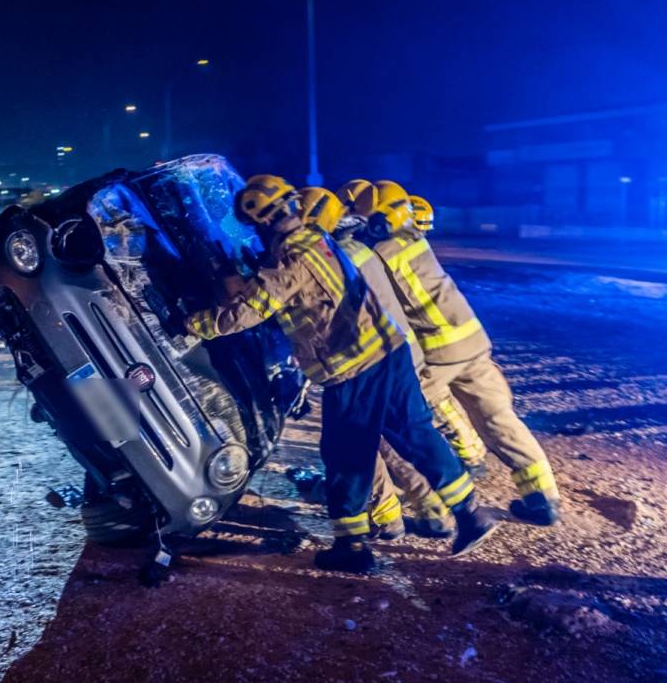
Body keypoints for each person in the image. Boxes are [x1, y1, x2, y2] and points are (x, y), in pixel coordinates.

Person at [184, 174, 497, 573]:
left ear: (262, 222)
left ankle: (351, 547)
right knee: (416, 432)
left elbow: (248, 311)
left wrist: (192, 324)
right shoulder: (318, 240)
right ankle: (471, 513)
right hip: (390, 352)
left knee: (346, 453)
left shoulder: (288, 261)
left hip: (353, 367)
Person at [356, 180, 563, 526]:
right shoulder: (415, 241)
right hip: (473, 343)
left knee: (407, 419)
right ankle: (543, 498)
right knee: (500, 420)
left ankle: (439, 504)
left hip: (439, 352)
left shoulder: (379, 252)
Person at [299, 186, 455, 539]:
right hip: (397, 355)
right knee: (389, 439)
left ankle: (416, 514)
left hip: (372, 362)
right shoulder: (359, 250)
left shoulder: (334, 258)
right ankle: (413, 513)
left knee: (375, 442)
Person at [338, 181, 490, 473]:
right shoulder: (373, 239)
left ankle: (469, 454)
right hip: (407, 330)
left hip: (405, 335)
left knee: (430, 395)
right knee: (428, 398)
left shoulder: (368, 244)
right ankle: (465, 451)